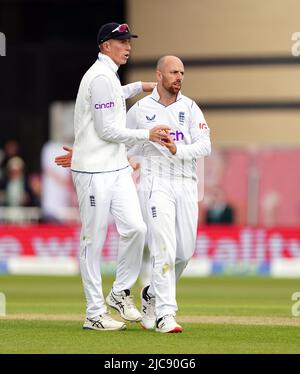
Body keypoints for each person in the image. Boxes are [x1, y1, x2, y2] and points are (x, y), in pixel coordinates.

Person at [55, 55, 211, 333]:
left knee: (184, 252)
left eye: (182, 72)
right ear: (159, 75)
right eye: (174, 72)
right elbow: (116, 140)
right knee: (164, 247)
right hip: (155, 182)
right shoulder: (140, 110)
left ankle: (151, 293)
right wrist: (84, 154)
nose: (179, 77)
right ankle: (166, 314)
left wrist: (180, 151)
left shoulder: (190, 108)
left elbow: (205, 145)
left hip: (187, 182)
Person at [64, 22, 172, 332]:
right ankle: (94, 312)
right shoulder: (99, 76)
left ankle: (119, 292)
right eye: (120, 41)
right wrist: (147, 134)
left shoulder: (108, 76)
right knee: (92, 241)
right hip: (94, 172)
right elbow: (106, 128)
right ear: (104, 45)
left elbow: (112, 100)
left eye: (128, 41)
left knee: (136, 228)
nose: (127, 46)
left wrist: (140, 86)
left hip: (116, 168)